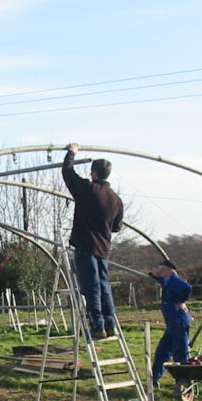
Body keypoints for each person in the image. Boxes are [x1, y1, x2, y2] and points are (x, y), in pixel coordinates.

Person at [61, 142, 124, 340]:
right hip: (104, 248)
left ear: (94, 173)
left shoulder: (88, 189)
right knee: (103, 285)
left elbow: (68, 173)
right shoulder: (116, 199)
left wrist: (72, 152)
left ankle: (97, 326)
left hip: (86, 246)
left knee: (91, 287)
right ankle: (110, 324)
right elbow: (117, 226)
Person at [149, 259, 193, 386]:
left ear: (171, 270)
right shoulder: (167, 281)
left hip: (179, 320)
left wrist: (181, 301)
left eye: (162, 269)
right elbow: (160, 279)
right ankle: (154, 379)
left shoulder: (175, 280)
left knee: (180, 352)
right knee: (162, 351)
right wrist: (154, 274)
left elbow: (187, 288)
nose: (160, 271)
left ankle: (183, 381)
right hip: (172, 323)